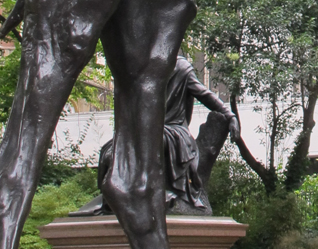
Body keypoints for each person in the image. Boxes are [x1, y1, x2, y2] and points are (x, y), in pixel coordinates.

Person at [73, 55, 239, 216]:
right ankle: (118, 195)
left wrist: (230, 115)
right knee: (109, 151)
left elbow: (205, 95)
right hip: (144, 130)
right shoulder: (144, 66)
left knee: (148, 142)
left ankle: (149, 193)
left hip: (172, 131)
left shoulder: (180, 67)